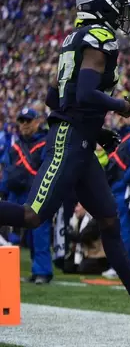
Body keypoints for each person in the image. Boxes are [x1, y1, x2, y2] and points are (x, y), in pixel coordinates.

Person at [0, 0, 130, 328]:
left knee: (110, 222)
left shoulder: (74, 40)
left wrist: (97, 131)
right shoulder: (99, 38)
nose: (121, 9)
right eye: (117, 2)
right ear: (102, 4)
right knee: (31, 216)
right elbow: (83, 95)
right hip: (68, 141)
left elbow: (56, 98)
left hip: (80, 142)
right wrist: (121, 105)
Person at [0, 108, 52, 284]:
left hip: (36, 194)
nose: (24, 125)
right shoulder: (15, 146)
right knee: (21, 236)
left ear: (37, 122)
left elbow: (48, 169)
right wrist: (2, 190)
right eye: (21, 121)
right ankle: (30, 270)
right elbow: (7, 169)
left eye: (28, 121)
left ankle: (43, 272)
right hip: (16, 195)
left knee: (39, 232)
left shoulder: (46, 143)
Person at [102, 113, 130, 279]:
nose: (120, 117)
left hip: (128, 188)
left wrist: (125, 180)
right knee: (127, 227)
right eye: (117, 114)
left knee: (124, 227)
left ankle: (122, 267)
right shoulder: (118, 134)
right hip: (117, 185)